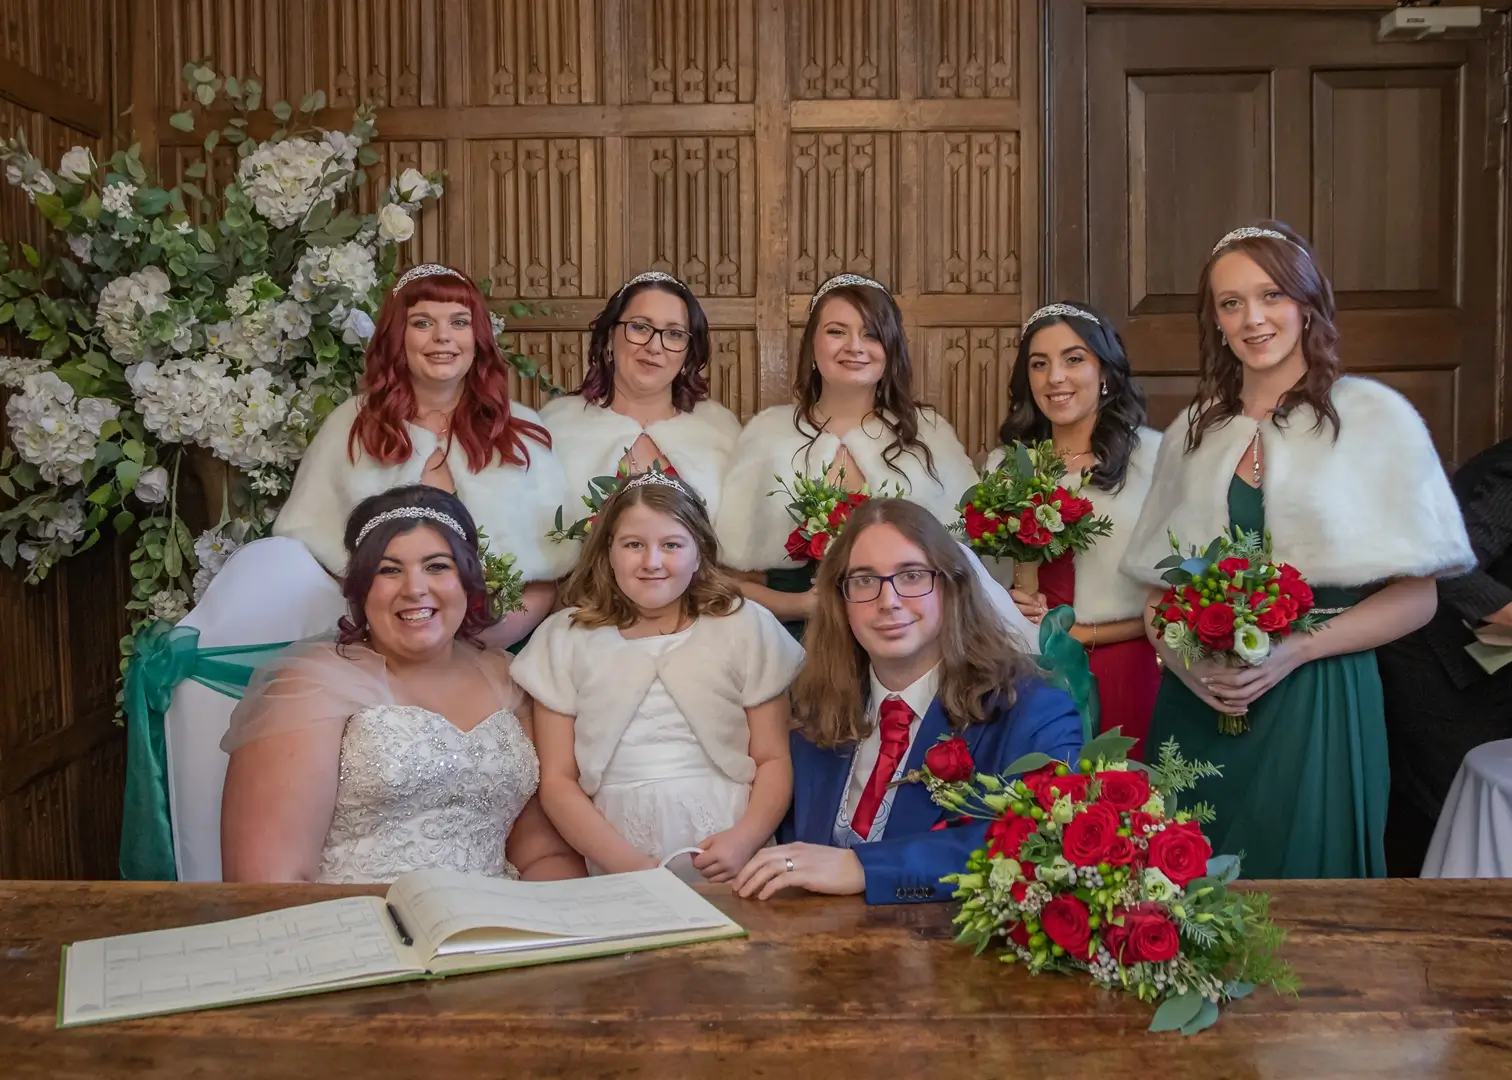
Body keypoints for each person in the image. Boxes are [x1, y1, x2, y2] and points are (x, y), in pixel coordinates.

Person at [1121, 221, 1473, 879]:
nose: (1252, 319)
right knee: (1184, 904)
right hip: (1199, 704)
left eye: (1271, 295)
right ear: (1216, 322)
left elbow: (1419, 597)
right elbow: (1156, 601)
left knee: (1307, 902)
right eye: (1231, 303)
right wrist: (1191, 668)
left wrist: (1298, 650)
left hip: (1318, 695)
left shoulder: (1374, 419)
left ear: (1307, 301)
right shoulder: (1193, 433)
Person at [220, 485, 584, 884]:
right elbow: (270, 881)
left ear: (467, 579)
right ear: (362, 588)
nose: (414, 589)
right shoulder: (309, 684)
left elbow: (541, 851)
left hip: (495, 929)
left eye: (437, 566)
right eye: (388, 570)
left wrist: (556, 925)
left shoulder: (512, 680)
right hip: (358, 928)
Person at [733, 498, 1084, 905]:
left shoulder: (1032, 711)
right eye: (864, 580)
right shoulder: (816, 709)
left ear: (951, 587)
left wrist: (865, 866)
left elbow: (1044, 839)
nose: (889, 601)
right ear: (840, 601)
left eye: (912, 575)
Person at [512, 472, 804, 883]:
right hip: (616, 844)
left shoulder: (743, 625)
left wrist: (744, 839)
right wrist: (624, 864)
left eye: (671, 545)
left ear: (699, 552)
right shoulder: (566, 639)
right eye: (633, 545)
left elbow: (773, 758)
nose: (651, 562)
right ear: (608, 552)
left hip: (729, 833)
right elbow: (558, 781)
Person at [271, 263, 576, 647]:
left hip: (498, 644)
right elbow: (317, 557)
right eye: (422, 323)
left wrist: (481, 647)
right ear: (397, 337)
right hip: (367, 642)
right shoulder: (350, 425)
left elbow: (547, 573)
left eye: (459, 322)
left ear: (478, 336)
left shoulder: (521, 431)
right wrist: (389, 640)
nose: (443, 337)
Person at [715, 273, 1029, 645]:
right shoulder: (766, 434)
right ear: (812, 344)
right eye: (836, 331)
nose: (854, 346)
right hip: (789, 639)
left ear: (890, 348)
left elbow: (966, 565)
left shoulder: (929, 434)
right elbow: (727, 575)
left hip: (911, 638)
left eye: (871, 334)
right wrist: (798, 605)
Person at [989, 301, 1162, 755]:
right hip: (1027, 669)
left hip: (1122, 663)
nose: (1056, 378)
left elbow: (1174, 589)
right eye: (1039, 364)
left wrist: (1085, 636)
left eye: (1073, 359)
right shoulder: (1002, 470)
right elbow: (975, 576)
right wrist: (1008, 601)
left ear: (1104, 370)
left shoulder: (1154, 463)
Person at [1378, 437, 1512, 874]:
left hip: (1491, 662)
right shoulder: (1506, 472)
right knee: (1448, 814)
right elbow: (1451, 563)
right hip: (1438, 662)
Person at [539, 270, 742, 520]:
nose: (654, 346)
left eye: (674, 333)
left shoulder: (721, 433)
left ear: (688, 353)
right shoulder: (555, 429)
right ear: (610, 338)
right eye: (639, 327)